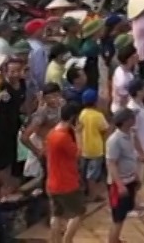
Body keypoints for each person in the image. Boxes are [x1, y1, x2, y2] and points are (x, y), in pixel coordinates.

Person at [45, 101, 84, 243]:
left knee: (56, 214)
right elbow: (78, 153)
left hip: (52, 182)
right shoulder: (63, 137)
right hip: (66, 182)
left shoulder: (51, 133)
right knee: (78, 213)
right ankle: (67, 240)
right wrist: (78, 133)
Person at [104, 108, 141, 243]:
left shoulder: (130, 135)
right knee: (117, 217)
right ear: (126, 121)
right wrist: (119, 185)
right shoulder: (114, 140)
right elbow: (111, 163)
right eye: (132, 117)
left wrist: (135, 174)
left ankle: (116, 239)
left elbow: (131, 157)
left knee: (124, 213)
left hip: (130, 179)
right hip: (119, 184)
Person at [77, 88, 110, 198]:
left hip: (84, 148)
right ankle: (93, 195)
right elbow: (105, 130)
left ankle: (85, 193)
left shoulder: (82, 114)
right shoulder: (98, 116)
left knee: (84, 172)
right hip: (96, 149)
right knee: (92, 175)